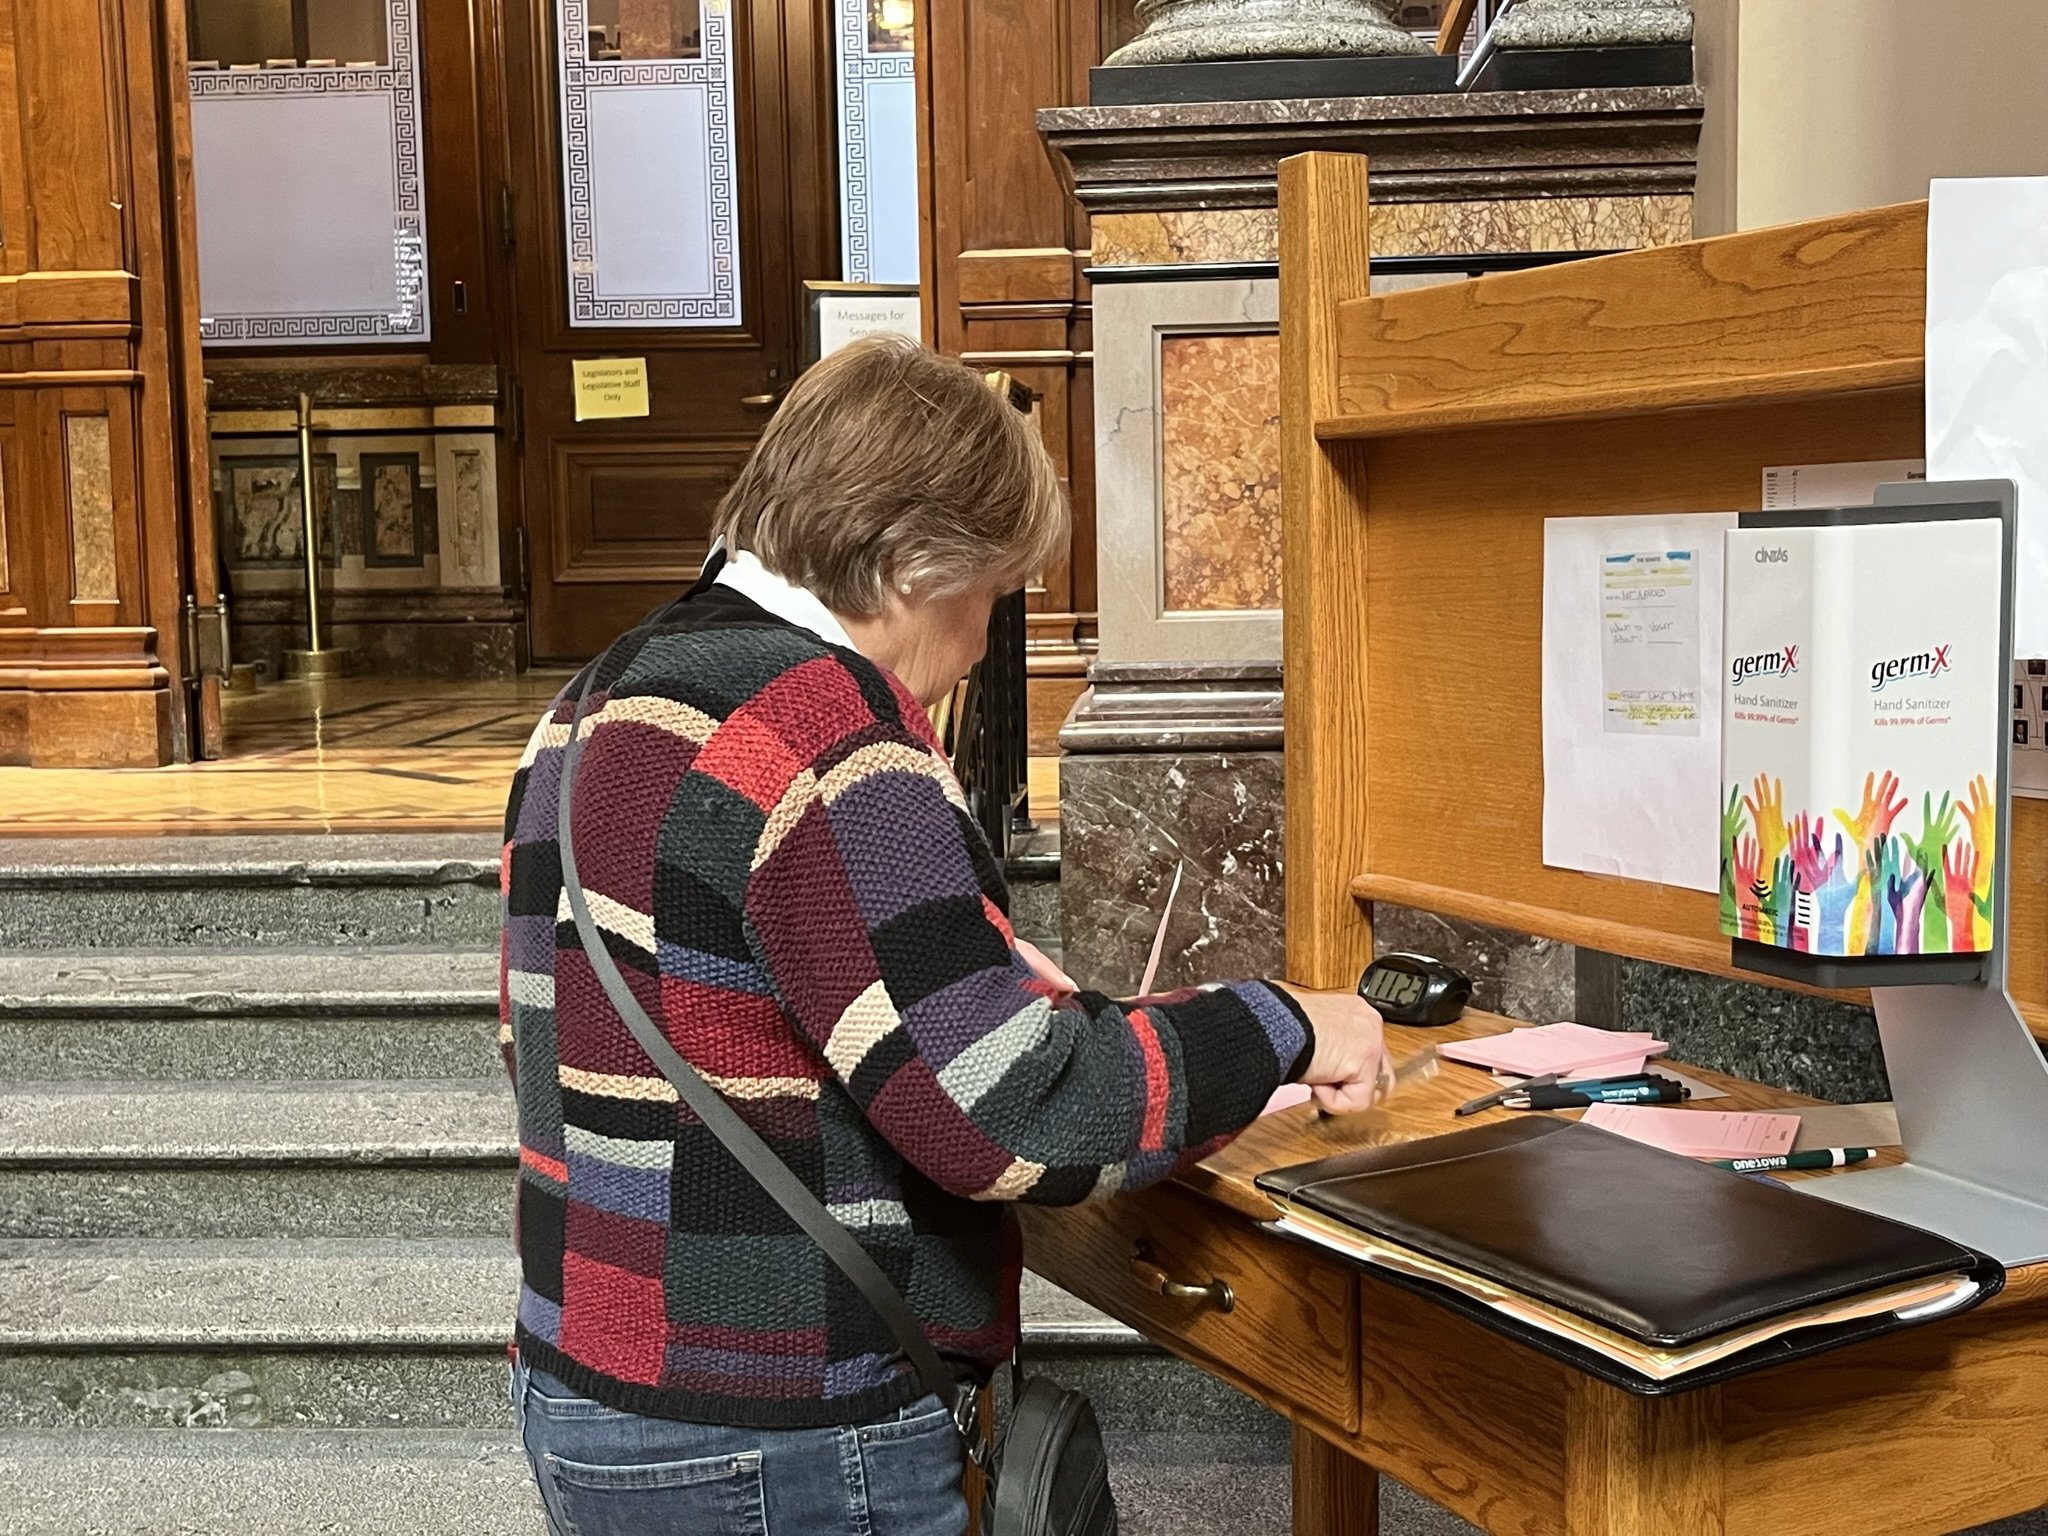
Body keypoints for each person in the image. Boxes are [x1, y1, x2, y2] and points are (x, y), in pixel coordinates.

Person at [500, 335, 1386, 1536]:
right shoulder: (828, 732)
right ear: (916, 565)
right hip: (785, 1423)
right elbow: (1013, 1115)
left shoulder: (598, 693)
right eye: (990, 594)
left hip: (586, 1386)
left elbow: (587, 1029)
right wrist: (1284, 1023)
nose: (977, 644)